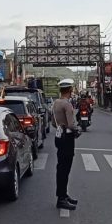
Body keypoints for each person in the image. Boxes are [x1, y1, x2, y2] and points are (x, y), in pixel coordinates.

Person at [51, 78, 81, 210]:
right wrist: (77, 130)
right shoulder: (67, 105)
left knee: (61, 167)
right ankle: (61, 199)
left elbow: (53, 123)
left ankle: (63, 195)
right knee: (65, 169)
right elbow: (71, 124)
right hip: (67, 137)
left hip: (59, 136)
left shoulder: (56, 103)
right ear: (70, 89)